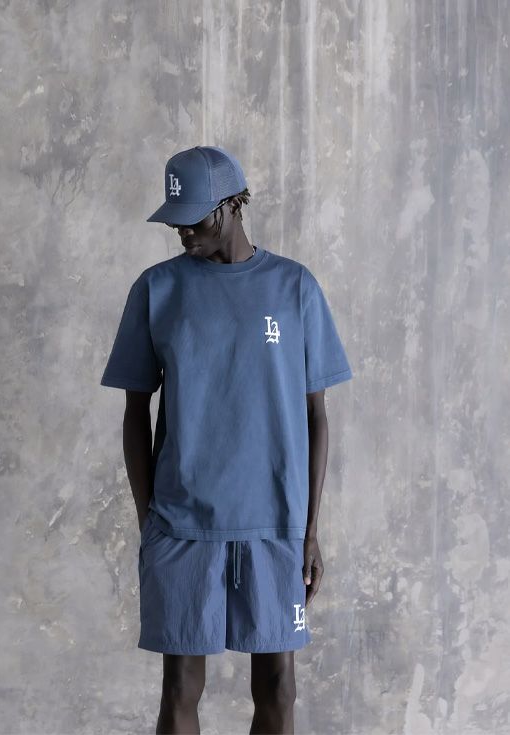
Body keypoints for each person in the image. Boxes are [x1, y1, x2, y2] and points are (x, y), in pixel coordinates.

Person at [100, 145, 353, 734]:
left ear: (233, 205)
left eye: (195, 218)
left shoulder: (294, 287)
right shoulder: (157, 290)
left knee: (279, 689)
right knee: (179, 689)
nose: (183, 231)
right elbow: (135, 412)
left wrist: (310, 531)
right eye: (176, 221)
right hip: (182, 525)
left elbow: (317, 416)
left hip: (274, 525)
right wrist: (148, 520)